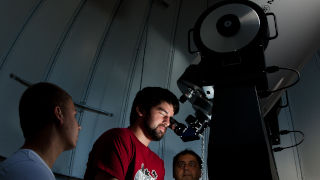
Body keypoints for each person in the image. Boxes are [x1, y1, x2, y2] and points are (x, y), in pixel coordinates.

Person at [84, 87, 179, 180]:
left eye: (170, 118)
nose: (167, 122)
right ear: (141, 110)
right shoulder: (119, 138)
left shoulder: (158, 163)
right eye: (163, 114)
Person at [0, 82, 81, 180]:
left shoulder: (24, 167)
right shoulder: (33, 172)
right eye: (74, 115)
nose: (79, 127)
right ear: (59, 114)